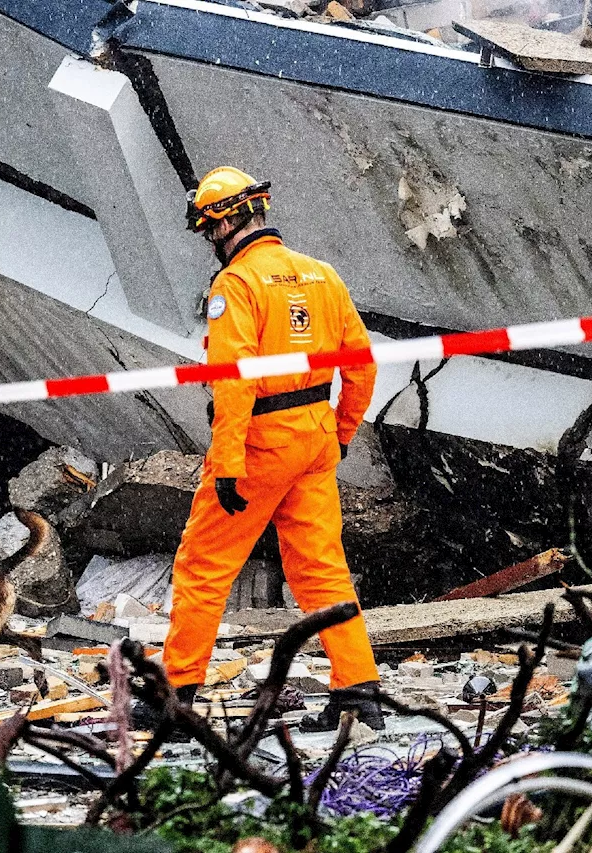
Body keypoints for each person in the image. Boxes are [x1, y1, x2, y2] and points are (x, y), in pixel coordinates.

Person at [163, 166, 383, 731]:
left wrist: (229, 465)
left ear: (227, 220)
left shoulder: (236, 285)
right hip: (313, 436)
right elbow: (360, 364)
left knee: (204, 565)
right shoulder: (321, 276)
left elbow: (233, 382)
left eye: (208, 230)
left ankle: (176, 694)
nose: (210, 243)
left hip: (259, 442)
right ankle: (358, 691)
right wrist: (340, 433)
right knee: (322, 567)